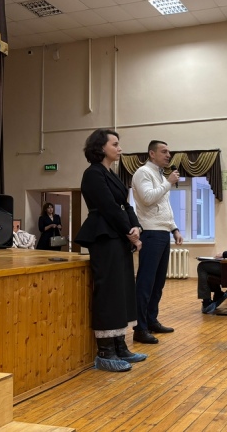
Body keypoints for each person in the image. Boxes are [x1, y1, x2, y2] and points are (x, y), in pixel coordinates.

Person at [74, 128, 146, 373]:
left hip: (118, 235)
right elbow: (108, 207)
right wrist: (129, 231)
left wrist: (136, 227)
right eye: (114, 144)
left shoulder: (111, 174)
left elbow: (125, 205)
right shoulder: (92, 173)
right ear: (100, 147)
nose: (119, 148)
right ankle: (105, 352)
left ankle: (120, 346)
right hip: (104, 236)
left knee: (122, 290)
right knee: (109, 291)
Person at [131, 140, 182, 345]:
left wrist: (174, 228)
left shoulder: (160, 175)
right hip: (150, 232)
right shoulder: (143, 172)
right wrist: (168, 182)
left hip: (163, 232)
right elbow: (147, 199)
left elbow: (165, 206)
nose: (168, 155)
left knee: (158, 282)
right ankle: (140, 328)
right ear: (152, 153)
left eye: (169, 151)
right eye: (164, 151)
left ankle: (151, 320)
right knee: (146, 283)